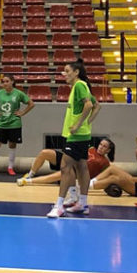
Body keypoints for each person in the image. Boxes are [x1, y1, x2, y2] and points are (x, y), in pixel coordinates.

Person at [47, 59, 96, 218]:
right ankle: (82, 202)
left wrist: (78, 124)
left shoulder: (80, 85)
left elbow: (89, 105)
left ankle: (59, 205)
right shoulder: (80, 86)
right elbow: (97, 105)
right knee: (81, 166)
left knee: (65, 167)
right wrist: (87, 123)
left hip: (76, 135)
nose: (65, 74)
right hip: (79, 134)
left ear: (76, 72)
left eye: (67, 71)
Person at [0, 74, 35, 176]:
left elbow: (31, 104)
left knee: (12, 144)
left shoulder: (18, 93)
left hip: (14, 124)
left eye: (7, 81)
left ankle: (10, 167)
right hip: (2, 123)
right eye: (3, 82)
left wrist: (22, 113)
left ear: (12, 82)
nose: (5, 84)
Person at [90, 130, 137, 197]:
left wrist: (132, 179)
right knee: (112, 169)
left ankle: (88, 187)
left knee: (114, 178)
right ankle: (92, 181)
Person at [18, 138, 114, 186]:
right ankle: (30, 174)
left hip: (75, 173)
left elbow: (101, 177)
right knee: (44, 153)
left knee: (59, 175)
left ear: (108, 150)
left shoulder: (105, 163)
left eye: (104, 146)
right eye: (101, 144)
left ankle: (27, 181)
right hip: (69, 161)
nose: (101, 147)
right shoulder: (92, 149)